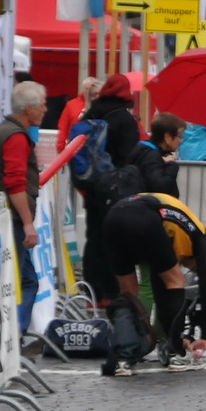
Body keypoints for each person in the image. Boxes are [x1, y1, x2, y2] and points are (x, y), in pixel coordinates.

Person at [101, 190, 206, 375]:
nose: (194, 270)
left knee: (128, 294)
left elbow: (160, 294)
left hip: (113, 217)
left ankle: (123, 358)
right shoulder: (202, 238)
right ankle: (177, 355)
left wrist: (159, 334)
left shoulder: (175, 234)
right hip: (144, 217)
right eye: (196, 267)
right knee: (176, 280)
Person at [0, 80, 47, 330]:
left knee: (26, 280)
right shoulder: (16, 137)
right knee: (18, 281)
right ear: (29, 108)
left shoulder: (4, 130)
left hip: (1, 216)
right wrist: (29, 223)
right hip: (9, 220)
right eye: (42, 105)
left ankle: (13, 337)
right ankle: (12, 337)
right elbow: (15, 183)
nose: (45, 110)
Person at [80, 72, 142, 302]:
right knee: (114, 242)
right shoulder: (124, 120)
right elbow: (130, 156)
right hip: (116, 190)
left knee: (93, 239)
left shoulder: (90, 113)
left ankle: (91, 293)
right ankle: (111, 292)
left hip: (92, 188)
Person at [129, 112, 186, 197]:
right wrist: (171, 165)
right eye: (179, 136)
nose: (181, 141)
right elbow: (161, 188)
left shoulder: (141, 149)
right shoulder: (151, 156)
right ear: (168, 137)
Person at [56, 76, 101, 149]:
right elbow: (63, 128)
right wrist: (61, 149)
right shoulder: (71, 105)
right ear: (83, 89)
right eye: (87, 88)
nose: (89, 91)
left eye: (92, 89)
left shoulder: (101, 106)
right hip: (74, 147)